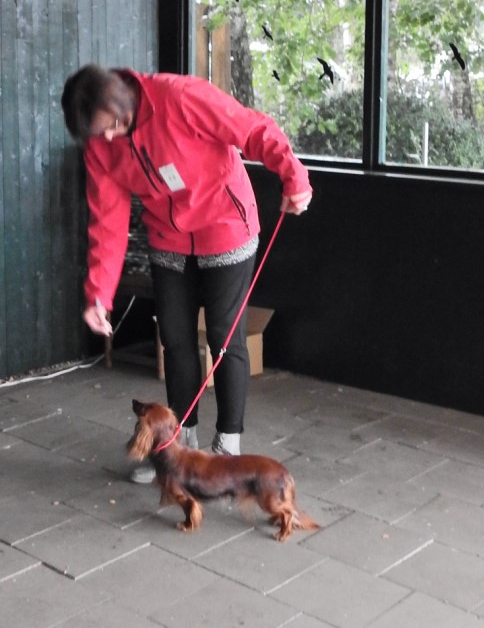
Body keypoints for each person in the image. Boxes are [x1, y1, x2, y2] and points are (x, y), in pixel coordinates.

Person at [61, 64, 312, 483]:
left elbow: (251, 128)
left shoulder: (179, 97)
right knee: (175, 339)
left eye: (111, 127)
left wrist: (293, 174)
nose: (107, 140)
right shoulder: (100, 144)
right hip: (168, 235)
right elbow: (107, 220)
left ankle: (227, 448)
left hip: (225, 223)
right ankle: (179, 447)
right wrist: (99, 294)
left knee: (224, 337)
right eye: (97, 134)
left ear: (122, 103)